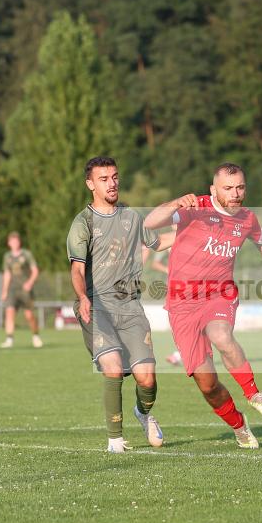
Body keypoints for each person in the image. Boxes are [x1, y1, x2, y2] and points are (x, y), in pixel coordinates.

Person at [144, 162, 262, 449]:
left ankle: (254, 394)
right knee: (208, 385)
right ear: (213, 189)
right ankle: (239, 426)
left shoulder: (247, 219)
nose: (236, 193)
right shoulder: (195, 208)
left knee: (221, 335)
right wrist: (176, 202)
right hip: (181, 305)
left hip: (219, 294)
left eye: (240, 187)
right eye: (228, 188)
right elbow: (150, 222)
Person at [66, 156, 173, 453]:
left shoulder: (131, 217)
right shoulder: (83, 223)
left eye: (114, 177)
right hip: (97, 306)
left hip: (130, 307)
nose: (112, 183)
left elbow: (157, 243)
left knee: (147, 379)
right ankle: (115, 439)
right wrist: (84, 297)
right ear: (90, 184)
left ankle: (144, 412)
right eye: (104, 179)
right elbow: (76, 269)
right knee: (112, 369)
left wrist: (192, 234)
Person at [0, 232, 43, 348]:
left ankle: (36, 336)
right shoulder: (7, 256)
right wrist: (4, 291)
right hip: (12, 289)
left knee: (29, 315)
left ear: (19, 242)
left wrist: (30, 282)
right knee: (9, 312)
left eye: (16, 241)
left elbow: (35, 271)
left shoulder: (26, 254)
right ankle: (9, 339)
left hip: (25, 290)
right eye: (12, 241)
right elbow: (7, 274)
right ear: (9, 243)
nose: (14, 243)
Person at [148, 239, 183, 367]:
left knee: (191, 323)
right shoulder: (168, 239)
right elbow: (155, 263)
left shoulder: (193, 235)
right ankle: (180, 355)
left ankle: (178, 355)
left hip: (195, 285)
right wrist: (169, 270)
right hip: (178, 286)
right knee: (181, 323)